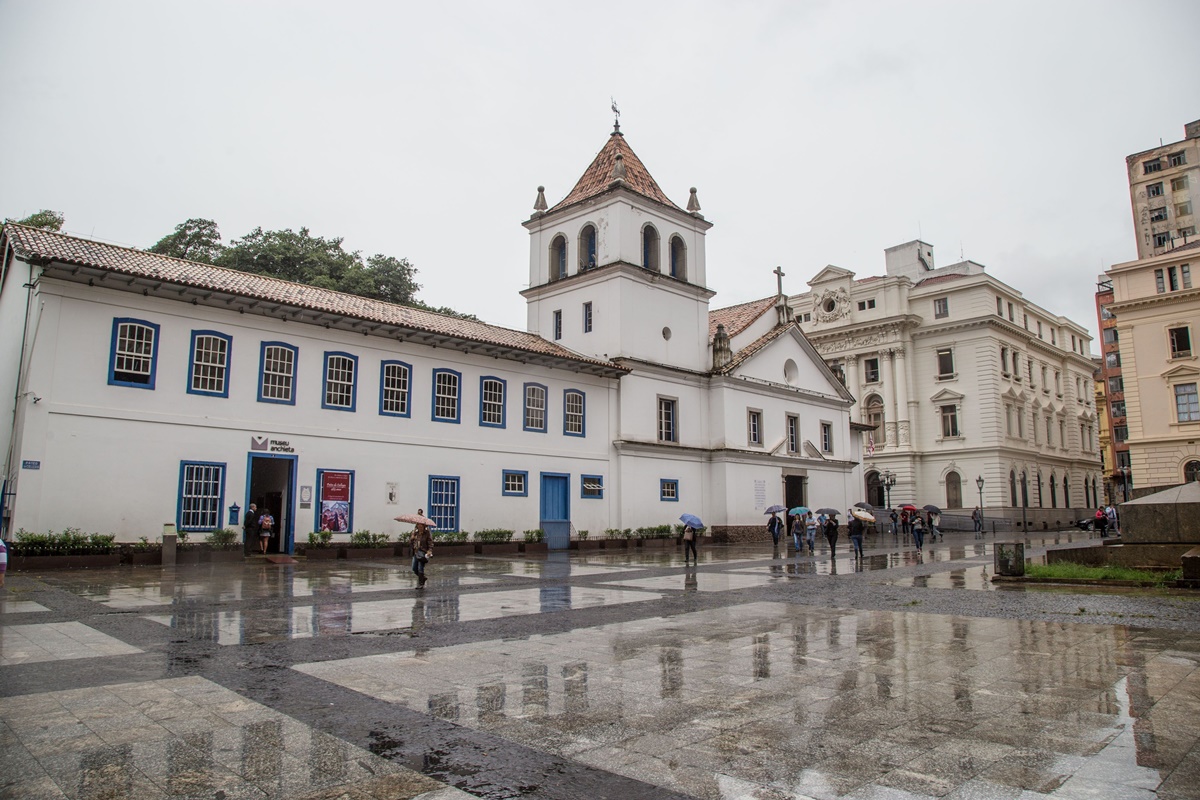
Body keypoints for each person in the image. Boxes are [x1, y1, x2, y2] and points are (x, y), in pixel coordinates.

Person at [411, 520, 433, 587]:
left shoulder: (427, 533)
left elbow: (430, 543)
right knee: (414, 568)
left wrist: (430, 550)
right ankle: (423, 578)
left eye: (421, 525)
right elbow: (411, 543)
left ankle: (421, 583)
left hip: (423, 552)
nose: (420, 526)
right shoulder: (415, 533)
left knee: (420, 567)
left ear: (424, 526)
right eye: (418, 525)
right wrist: (412, 538)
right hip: (416, 552)